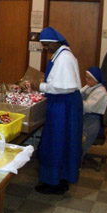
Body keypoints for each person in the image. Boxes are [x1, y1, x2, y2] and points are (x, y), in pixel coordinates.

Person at [32, 27, 83, 195]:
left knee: (56, 142)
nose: (45, 49)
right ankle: (58, 179)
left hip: (63, 105)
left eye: (46, 45)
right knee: (62, 142)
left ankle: (54, 182)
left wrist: (38, 86)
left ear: (55, 43)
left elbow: (63, 87)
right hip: (65, 104)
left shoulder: (64, 58)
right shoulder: (61, 54)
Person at [80, 66, 107, 158]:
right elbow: (78, 93)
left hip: (92, 122)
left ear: (96, 79)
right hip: (85, 118)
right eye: (86, 77)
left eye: (89, 78)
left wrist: (76, 100)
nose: (86, 80)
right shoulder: (89, 87)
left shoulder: (101, 92)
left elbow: (88, 107)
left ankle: (77, 160)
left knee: (80, 143)